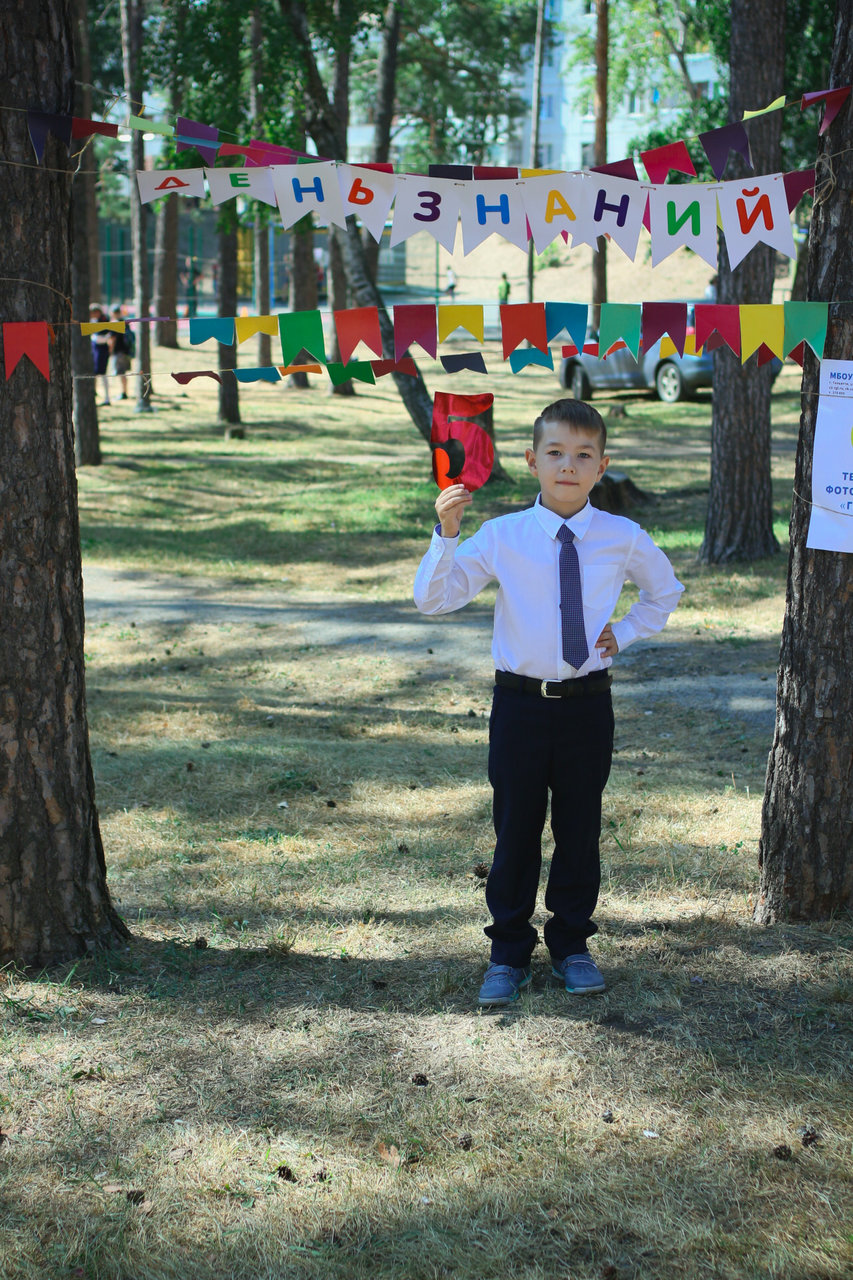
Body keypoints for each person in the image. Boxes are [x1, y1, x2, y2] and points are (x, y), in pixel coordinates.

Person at [413, 398, 683, 1007]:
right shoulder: (503, 535)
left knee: (579, 828)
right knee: (515, 830)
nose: (569, 465)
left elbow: (664, 591)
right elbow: (434, 600)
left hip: (587, 707)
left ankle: (572, 945)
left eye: (584, 455)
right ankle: (508, 952)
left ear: (601, 466)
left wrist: (626, 631)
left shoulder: (621, 536)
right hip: (521, 707)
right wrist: (447, 535)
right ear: (532, 461)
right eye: (555, 453)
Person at [107, 306, 130, 401]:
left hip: (118, 351)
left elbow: (113, 339)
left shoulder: (115, 324)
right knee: (123, 373)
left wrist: (110, 351)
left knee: (121, 373)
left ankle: (124, 393)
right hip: (126, 351)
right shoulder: (125, 322)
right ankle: (124, 391)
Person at [89, 304, 111, 404]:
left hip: (102, 350)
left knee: (102, 373)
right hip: (95, 348)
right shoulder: (94, 321)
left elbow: (107, 336)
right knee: (94, 373)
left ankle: (107, 397)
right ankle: (94, 392)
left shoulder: (105, 320)